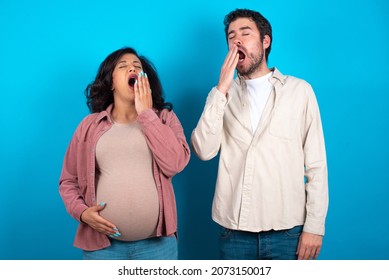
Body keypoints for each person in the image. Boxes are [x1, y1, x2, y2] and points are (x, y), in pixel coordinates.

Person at [191, 9, 328, 260]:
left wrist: (315, 227)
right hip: (234, 233)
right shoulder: (222, 96)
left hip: (288, 233)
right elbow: (203, 150)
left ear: (265, 42)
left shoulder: (300, 91)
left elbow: (316, 165)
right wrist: (221, 87)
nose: (237, 41)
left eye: (245, 33)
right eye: (231, 37)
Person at [59, 47, 190, 260]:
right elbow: (68, 181)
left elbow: (175, 163)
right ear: (111, 82)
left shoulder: (165, 118)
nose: (132, 68)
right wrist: (82, 213)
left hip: (158, 248)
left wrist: (147, 114)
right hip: (102, 249)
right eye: (123, 66)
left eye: (137, 66)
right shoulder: (89, 126)